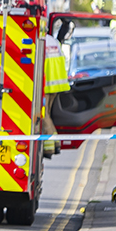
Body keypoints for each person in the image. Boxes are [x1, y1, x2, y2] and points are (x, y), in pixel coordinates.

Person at [41, 23, 72, 157]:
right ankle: (54, 144)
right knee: (47, 113)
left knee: (44, 115)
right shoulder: (53, 41)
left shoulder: (41, 41)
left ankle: (51, 146)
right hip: (57, 84)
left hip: (46, 85)